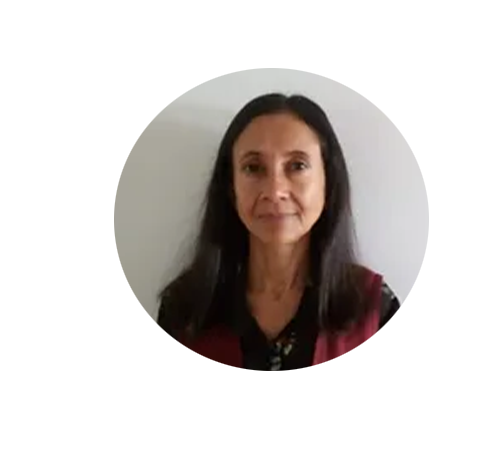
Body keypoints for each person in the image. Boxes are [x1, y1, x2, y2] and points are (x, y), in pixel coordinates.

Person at [151, 93, 407, 370]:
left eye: (297, 166)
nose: (274, 191)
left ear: (328, 181)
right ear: (231, 186)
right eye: (253, 168)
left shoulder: (373, 308)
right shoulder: (186, 307)